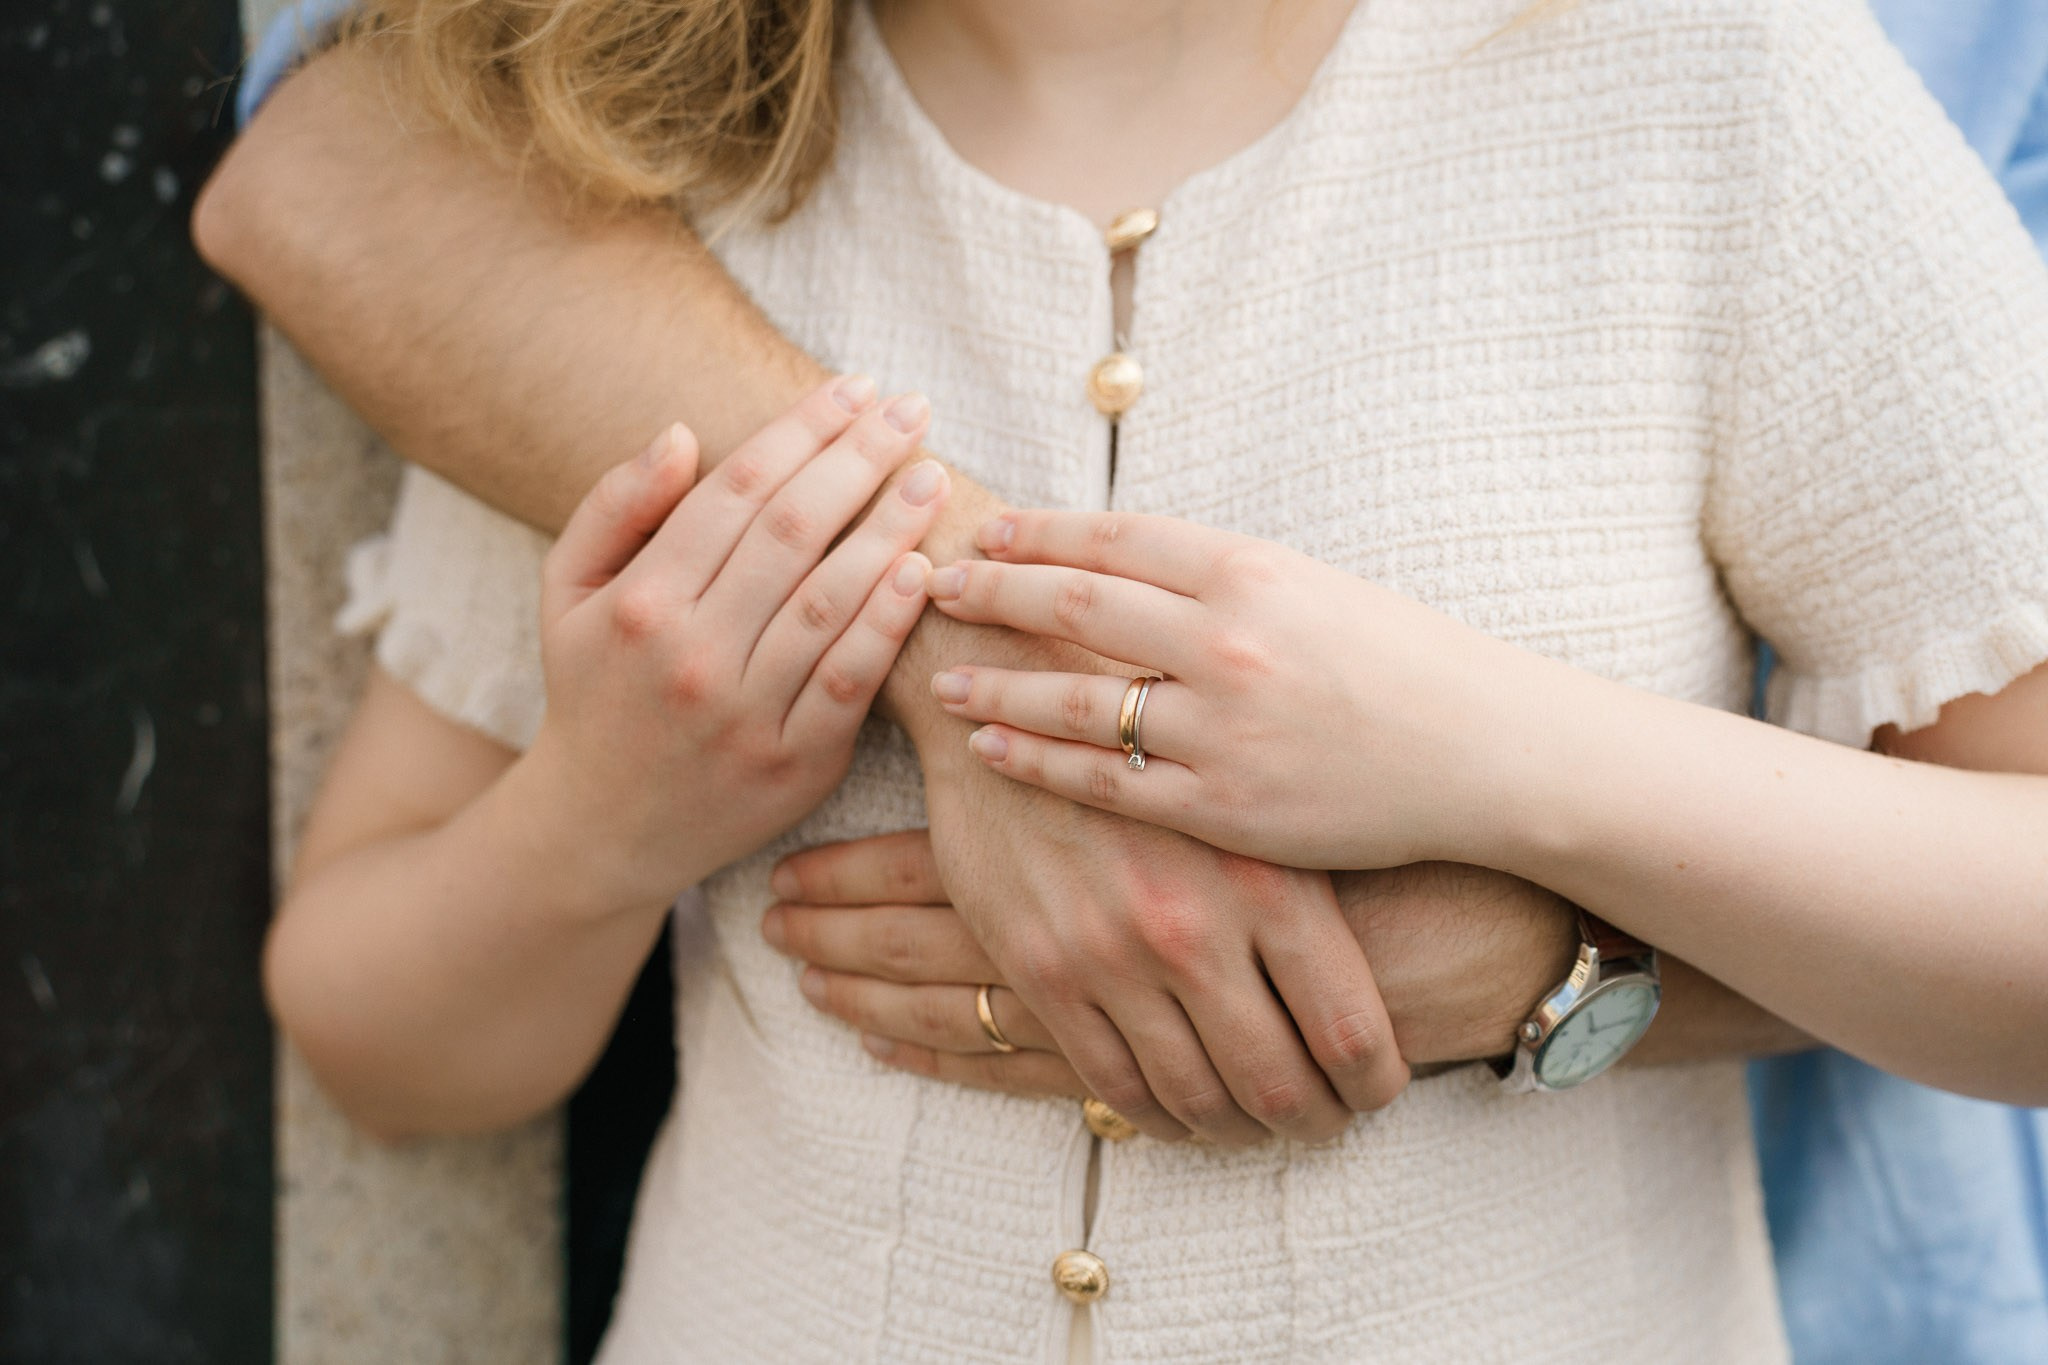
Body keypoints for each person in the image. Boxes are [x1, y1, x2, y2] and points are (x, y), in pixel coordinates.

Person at [197, 0, 2048, 1359]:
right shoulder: (634, 171)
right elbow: (384, 1047)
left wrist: (1497, 778)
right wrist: (607, 818)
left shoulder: (1712, 87)